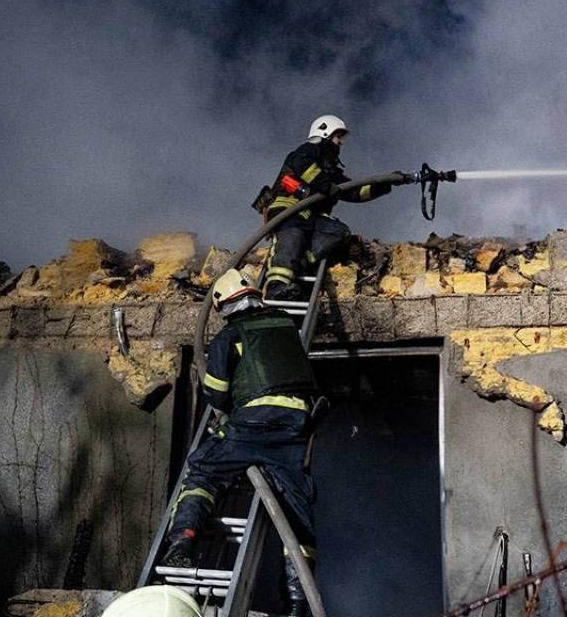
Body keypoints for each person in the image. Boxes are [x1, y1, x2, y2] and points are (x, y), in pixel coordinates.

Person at [162, 268, 321, 615]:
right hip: (294, 428)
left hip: (252, 426)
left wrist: (231, 398)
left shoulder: (229, 334)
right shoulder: (286, 327)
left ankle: (183, 542)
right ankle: (297, 602)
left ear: (223, 305)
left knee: (203, 471)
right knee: (296, 509)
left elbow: (216, 395)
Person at [258, 114, 394, 301]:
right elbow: (302, 165)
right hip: (290, 209)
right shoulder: (307, 151)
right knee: (292, 238)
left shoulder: (330, 170)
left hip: (313, 216)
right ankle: (277, 286)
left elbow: (352, 192)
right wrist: (324, 185)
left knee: (339, 232)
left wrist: (384, 185)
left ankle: (302, 261)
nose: (340, 143)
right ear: (325, 134)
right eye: (338, 137)